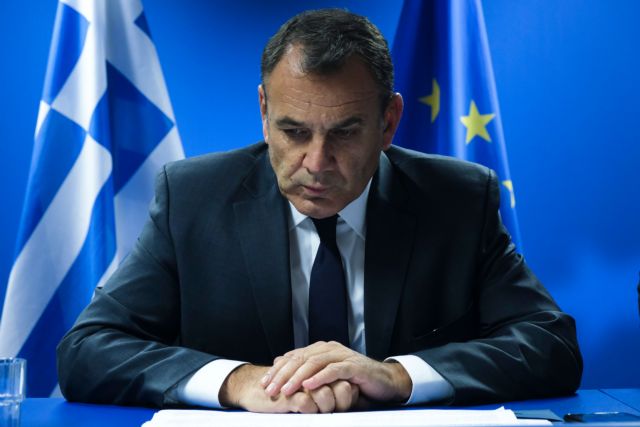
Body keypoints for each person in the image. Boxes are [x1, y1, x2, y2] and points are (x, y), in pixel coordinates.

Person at [57, 9, 582, 413]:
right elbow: (87, 349)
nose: (316, 163)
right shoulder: (193, 199)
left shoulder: (458, 200)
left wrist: (398, 375)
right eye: (294, 132)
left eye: (345, 133)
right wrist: (241, 382)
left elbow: (550, 344)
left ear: (389, 122)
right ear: (264, 113)